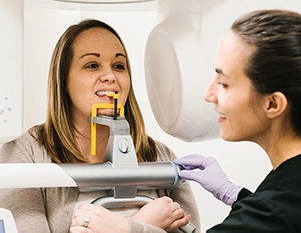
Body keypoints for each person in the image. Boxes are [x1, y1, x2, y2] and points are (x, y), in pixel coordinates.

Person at [0, 19, 200, 233]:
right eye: (92, 65)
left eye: (118, 66)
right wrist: (140, 225)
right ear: (63, 79)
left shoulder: (160, 157)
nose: (110, 76)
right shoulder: (24, 156)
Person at [174, 9, 301, 232]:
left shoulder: (277, 211)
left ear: (273, 104)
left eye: (224, 83)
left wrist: (127, 227)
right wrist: (236, 195)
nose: (208, 95)